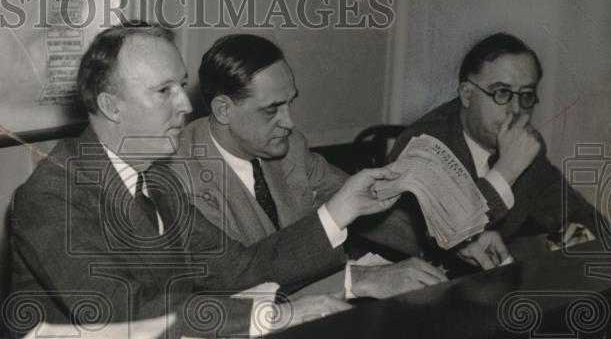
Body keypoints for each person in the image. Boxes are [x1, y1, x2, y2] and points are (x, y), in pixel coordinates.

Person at [9, 24, 428, 339]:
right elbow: (122, 312)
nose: (185, 104)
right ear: (111, 106)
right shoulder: (52, 193)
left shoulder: (155, 179)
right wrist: (272, 315)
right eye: (164, 91)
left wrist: (341, 209)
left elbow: (238, 270)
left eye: (181, 84)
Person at [175, 33, 453, 297]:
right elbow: (238, 282)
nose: (289, 122)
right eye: (271, 110)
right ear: (223, 110)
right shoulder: (181, 176)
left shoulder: (290, 146)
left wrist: (450, 239)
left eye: (290, 103)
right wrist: (361, 279)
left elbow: (362, 203)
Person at [386, 32, 605, 261]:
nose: (516, 109)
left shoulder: (525, 144)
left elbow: (575, 209)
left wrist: (580, 230)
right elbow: (435, 237)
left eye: (526, 95)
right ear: (467, 95)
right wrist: (505, 171)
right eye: (502, 92)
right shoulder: (424, 144)